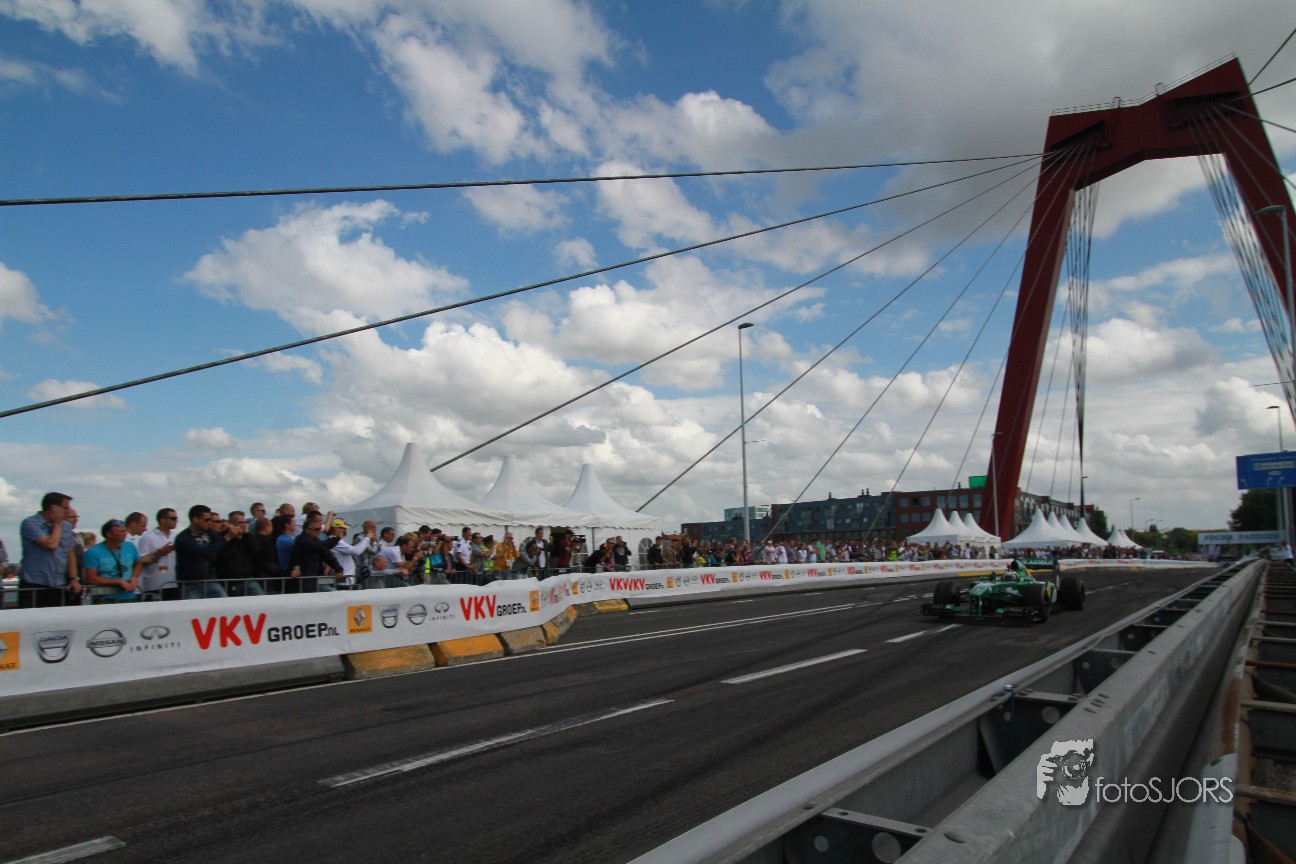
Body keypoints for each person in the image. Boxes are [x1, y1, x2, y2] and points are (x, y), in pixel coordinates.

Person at [18, 492, 81, 607]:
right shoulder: (30, 523)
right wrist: (57, 524)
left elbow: (70, 553)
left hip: (58, 584)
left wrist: (73, 578)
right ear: (53, 508)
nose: (68, 511)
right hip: (34, 583)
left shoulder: (66, 526)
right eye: (65, 508)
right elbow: (51, 544)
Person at [174, 504, 230, 599]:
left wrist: (227, 532)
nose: (209, 523)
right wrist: (227, 537)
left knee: (226, 604)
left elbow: (220, 543)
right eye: (206, 520)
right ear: (195, 519)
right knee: (191, 608)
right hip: (190, 585)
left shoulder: (208, 532)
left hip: (209, 582)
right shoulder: (183, 538)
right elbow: (203, 552)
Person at [83, 519, 142, 601]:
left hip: (129, 596)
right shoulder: (93, 552)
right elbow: (91, 578)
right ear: (109, 534)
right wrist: (118, 582)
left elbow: (138, 564)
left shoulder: (130, 546)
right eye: (121, 531)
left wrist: (134, 577)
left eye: (125, 531)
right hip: (105, 598)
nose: (125, 533)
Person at [214, 510, 266, 596]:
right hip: (230, 580)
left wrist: (247, 534)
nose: (242, 525)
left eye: (244, 522)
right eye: (239, 523)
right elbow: (225, 554)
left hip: (247, 578)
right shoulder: (222, 537)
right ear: (230, 523)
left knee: (261, 598)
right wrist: (232, 537)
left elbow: (257, 550)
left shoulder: (246, 537)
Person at [287, 510, 342, 592]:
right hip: (300, 583)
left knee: (333, 593)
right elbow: (317, 547)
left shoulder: (316, 540)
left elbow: (327, 555)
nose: (319, 531)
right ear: (307, 530)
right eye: (317, 529)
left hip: (313, 581)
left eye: (320, 529)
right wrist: (336, 539)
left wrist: (338, 569)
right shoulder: (301, 540)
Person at [137, 507, 178, 598]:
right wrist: (161, 552)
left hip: (174, 583)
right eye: (173, 518)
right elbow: (141, 561)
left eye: (176, 518)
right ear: (162, 520)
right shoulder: (148, 537)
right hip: (154, 585)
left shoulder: (176, 537)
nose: (176, 521)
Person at [327, 517, 372, 588]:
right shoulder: (337, 541)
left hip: (345, 580)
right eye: (343, 528)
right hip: (344, 581)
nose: (345, 530)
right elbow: (356, 551)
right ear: (335, 529)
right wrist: (367, 538)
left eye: (345, 528)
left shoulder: (334, 540)